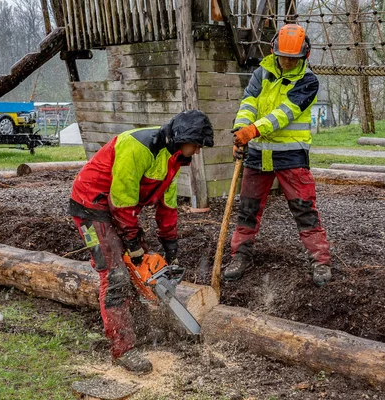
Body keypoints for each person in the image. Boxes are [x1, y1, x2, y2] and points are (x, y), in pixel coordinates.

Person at [69, 110, 214, 373]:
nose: (198, 151)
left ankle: (139, 327)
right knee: (116, 276)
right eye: (197, 145)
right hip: (91, 205)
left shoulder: (172, 159)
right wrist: (133, 243)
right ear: (183, 138)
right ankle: (123, 349)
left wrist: (170, 242)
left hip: (122, 209)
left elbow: (167, 205)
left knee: (142, 271)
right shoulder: (138, 146)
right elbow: (122, 198)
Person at [223, 24, 331, 286]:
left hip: (291, 155)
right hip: (258, 154)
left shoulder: (308, 81)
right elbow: (248, 103)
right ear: (274, 50)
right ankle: (240, 255)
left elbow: (284, 114)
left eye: (292, 59)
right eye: (283, 57)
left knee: (304, 209)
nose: (287, 62)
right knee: (247, 208)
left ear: (304, 56)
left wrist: (253, 130)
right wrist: (241, 129)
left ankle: (320, 260)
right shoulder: (261, 74)